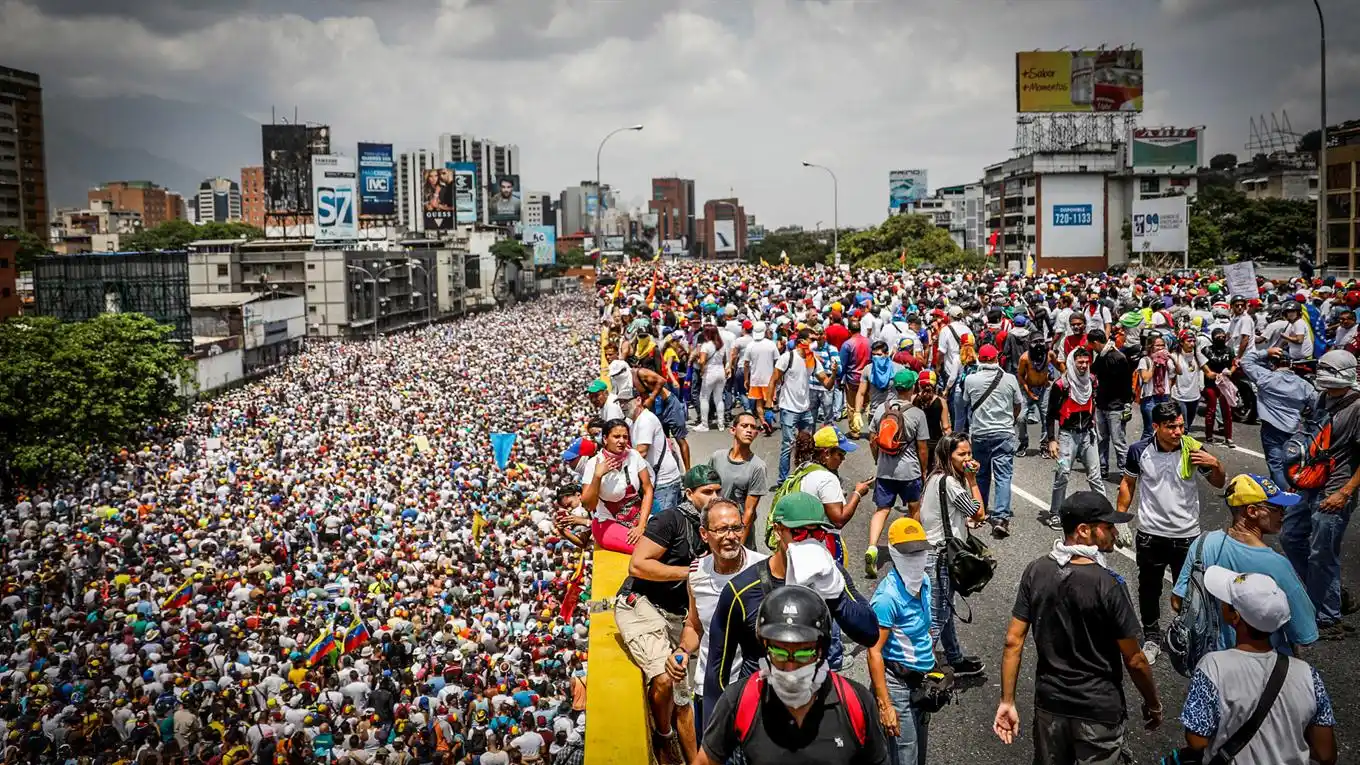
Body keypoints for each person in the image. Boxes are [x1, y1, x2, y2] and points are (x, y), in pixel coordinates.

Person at [993, 492, 1163, 764]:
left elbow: (1013, 642)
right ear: (1083, 531)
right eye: (1107, 527)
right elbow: (1134, 659)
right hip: (1098, 712)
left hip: (1050, 706)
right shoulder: (1108, 584)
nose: (1114, 534)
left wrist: (1007, 701)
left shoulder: (1036, 570)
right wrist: (1153, 703)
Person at [702, 492, 878, 721]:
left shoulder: (831, 577)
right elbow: (717, 673)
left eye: (817, 533)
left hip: (815, 709)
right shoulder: (742, 590)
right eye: (798, 532)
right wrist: (717, 739)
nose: (808, 540)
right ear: (777, 530)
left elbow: (869, 633)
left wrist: (834, 595)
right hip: (761, 714)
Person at [695, 586, 890, 765]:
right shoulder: (740, 699)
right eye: (779, 653)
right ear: (765, 648)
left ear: (820, 651)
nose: (790, 667)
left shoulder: (855, 702)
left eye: (803, 654)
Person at [614, 465, 722, 763]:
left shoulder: (716, 525)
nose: (714, 497)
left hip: (682, 613)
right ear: (689, 493)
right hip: (642, 604)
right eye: (706, 492)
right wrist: (690, 573)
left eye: (717, 491)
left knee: (689, 691)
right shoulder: (669, 520)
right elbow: (638, 565)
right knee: (665, 678)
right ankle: (662, 736)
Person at [1178, 567, 1337, 765]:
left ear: (1235, 617)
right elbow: (1325, 753)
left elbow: (1197, 740)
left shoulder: (1213, 667)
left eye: (1228, 602)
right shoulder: (1308, 675)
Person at [1118, 401, 1226, 664]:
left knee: (1189, 592)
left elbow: (1219, 482)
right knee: (1149, 589)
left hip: (1187, 535)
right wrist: (1120, 520)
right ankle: (1152, 637)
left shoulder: (1193, 449)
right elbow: (1128, 484)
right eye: (1171, 427)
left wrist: (1215, 463)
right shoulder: (1139, 450)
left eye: (1180, 425)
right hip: (1150, 535)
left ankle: (1184, 635)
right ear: (1156, 427)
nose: (1179, 432)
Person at [1172, 474, 1318, 652]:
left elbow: (1177, 601)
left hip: (1212, 656)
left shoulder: (1202, 544)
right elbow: (1304, 633)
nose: (1283, 513)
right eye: (1276, 507)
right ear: (1252, 511)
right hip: (1264, 666)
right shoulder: (1277, 565)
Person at [1280, 349, 1360, 640]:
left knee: (1322, 553)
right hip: (1309, 483)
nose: (1321, 372)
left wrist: (1345, 492)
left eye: (1328, 369)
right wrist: (1296, 478)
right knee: (1290, 537)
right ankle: (1328, 593)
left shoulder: (1357, 407)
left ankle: (1328, 617)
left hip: (1335, 489)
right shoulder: (1322, 399)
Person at [674, 498, 769, 737]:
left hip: (756, 688)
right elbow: (695, 626)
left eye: (736, 527)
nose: (731, 536)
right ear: (704, 534)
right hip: (710, 689)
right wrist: (683, 651)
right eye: (721, 529)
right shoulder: (697, 574)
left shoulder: (764, 571)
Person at [867, 518, 938, 765]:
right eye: (910, 553)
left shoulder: (924, 583)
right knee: (904, 756)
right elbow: (874, 652)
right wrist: (885, 705)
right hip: (897, 687)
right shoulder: (887, 598)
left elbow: (924, 631)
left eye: (921, 551)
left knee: (918, 755)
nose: (917, 558)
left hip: (921, 683)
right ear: (895, 554)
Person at [918, 434, 987, 678]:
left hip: (933, 553)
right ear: (949, 456)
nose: (968, 458)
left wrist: (961, 521)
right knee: (938, 615)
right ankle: (922, 667)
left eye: (969, 453)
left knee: (945, 609)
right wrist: (973, 480)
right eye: (962, 454)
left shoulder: (934, 479)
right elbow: (979, 513)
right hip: (941, 557)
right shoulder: (951, 483)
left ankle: (955, 658)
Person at [864, 369, 930, 578]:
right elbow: (922, 447)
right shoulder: (917, 414)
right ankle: (911, 550)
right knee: (914, 508)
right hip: (909, 470)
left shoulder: (881, 411)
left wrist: (877, 460)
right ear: (912, 387)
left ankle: (873, 547)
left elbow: (873, 440)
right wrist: (924, 470)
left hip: (885, 470)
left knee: (882, 509)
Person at [962, 344, 1024, 539]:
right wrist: (1010, 421)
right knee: (1003, 476)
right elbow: (1018, 405)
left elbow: (966, 403)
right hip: (1003, 432)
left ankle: (978, 513)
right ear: (997, 358)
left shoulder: (971, 379)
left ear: (980, 359)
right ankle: (1001, 517)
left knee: (980, 475)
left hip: (980, 433)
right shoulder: (1010, 378)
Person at [1238, 347, 1314, 491]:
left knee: (1276, 465)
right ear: (1290, 364)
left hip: (1271, 429)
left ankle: (1284, 499)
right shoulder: (1303, 385)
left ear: (1272, 364)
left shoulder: (1265, 377)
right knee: (1294, 464)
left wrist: (1266, 351)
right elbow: (1318, 405)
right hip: (1295, 430)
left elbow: (1246, 361)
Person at [1045, 346, 1104, 528]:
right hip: (1067, 436)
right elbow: (1050, 415)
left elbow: (1094, 405)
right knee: (1062, 474)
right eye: (1080, 362)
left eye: (1086, 362)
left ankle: (1103, 512)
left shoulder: (1092, 381)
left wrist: (1095, 429)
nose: (1084, 365)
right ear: (1072, 362)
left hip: (1087, 435)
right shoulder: (1061, 386)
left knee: (1095, 476)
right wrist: (1052, 440)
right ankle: (1055, 513)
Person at [768, 327, 834, 484]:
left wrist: (835, 373)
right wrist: (768, 404)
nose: (815, 343)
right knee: (788, 446)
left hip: (805, 410)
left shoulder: (813, 360)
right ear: (801, 342)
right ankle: (783, 481)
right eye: (812, 340)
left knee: (807, 445)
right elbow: (773, 380)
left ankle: (805, 476)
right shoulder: (787, 358)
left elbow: (827, 384)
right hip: (788, 409)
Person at [580, 418, 656, 553]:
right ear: (605, 439)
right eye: (616, 436)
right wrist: (597, 476)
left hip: (636, 518)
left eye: (625, 437)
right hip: (608, 523)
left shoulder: (634, 455)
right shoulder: (594, 463)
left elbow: (648, 489)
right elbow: (588, 505)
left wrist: (642, 525)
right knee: (648, 548)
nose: (621, 441)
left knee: (666, 538)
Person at [707, 412, 769, 551]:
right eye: (744, 426)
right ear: (733, 430)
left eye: (753, 428)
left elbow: (749, 510)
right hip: (716, 525)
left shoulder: (757, 466)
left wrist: (739, 544)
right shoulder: (717, 457)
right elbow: (708, 490)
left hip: (738, 529)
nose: (749, 430)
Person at [625, 394, 685, 514]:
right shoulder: (634, 422)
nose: (622, 406)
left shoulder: (645, 420)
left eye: (625, 401)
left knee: (664, 525)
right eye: (619, 403)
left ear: (638, 400)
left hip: (664, 481)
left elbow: (641, 451)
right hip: (660, 479)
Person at [1091, 330, 1132, 479]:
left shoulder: (1118, 357)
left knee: (1118, 441)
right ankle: (1103, 468)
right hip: (1102, 405)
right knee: (1101, 439)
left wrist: (1127, 404)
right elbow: (1094, 370)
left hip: (1116, 407)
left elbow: (1126, 383)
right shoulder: (1102, 357)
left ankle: (1125, 473)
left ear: (1095, 343)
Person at [1016, 336, 1053, 457]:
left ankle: (1044, 444)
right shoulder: (1024, 358)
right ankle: (1023, 443)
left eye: (1041, 341)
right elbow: (1020, 376)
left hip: (1044, 388)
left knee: (1046, 416)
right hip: (1028, 389)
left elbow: (1060, 366)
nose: (1038, 344)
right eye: (1035, 342)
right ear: (1029, 343)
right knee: (1020, 418)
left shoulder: (1049, 355)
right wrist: (1029, 392)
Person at [1135, 334, 1178, 439]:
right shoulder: (1144, 360)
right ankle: (1142, 452)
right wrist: (1155, 363)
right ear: (1150, 346)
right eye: (1157, 345)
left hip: (1164, 397)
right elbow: (1146, 378)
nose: (1160, 348)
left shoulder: (1166, 360)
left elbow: (1179, 372)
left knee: (1163, 430)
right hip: (1150, 399)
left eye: (1162, 345)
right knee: (1150, 430)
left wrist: (1172, 358)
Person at [1202, 327, 1237, 448]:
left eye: (1223, 336)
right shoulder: (1206, 350)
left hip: (1224, 383)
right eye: (1218, 337)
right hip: (1211, 383)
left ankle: (1228, 438)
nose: (1221, 338)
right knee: (1211, 409)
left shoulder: (1229, 350)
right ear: (1213, 338)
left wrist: (1230, 372)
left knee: (1226, 410)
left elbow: (1234, 364)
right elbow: (1202, 364)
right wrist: (1210, 373)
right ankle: (1209, 436)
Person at [744, 321, 780, 430]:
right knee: (769, 400)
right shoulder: (771, 344)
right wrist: (778, 377)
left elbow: (746, 364)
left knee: (758, 402)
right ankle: (768, 420)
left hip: (755, 378)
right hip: (769, 379)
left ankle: (763, 421)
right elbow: (777, 361)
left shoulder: (750, 345)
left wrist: (746, 378)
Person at [1170, 330, 1207, 436]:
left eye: (1193, 341)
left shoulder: (1197, 355)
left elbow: (1207, 371)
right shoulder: (1174, 356)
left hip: (1195, 397)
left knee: (1188, 427)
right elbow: (1170, 377)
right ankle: (1179, 450)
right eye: (1189, 341)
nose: (1192, 344)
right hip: (1179, 397)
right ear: (1181, 342)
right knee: (1183, 428)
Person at [695, 325, 730, 432]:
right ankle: (721, 423)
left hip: (709, 372)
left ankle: (705, 424)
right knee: (718, 398)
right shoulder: (722, 345)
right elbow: (725, 360)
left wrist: (701, 368)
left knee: (704, 397)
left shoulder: (706, 346)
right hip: (720, 371)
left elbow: (702, 361)